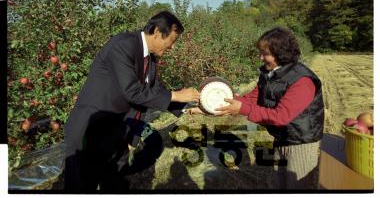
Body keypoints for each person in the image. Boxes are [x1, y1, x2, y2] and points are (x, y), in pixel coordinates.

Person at [64, 11, 200, 192]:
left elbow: (155, 90)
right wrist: (176, 95)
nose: (172, 47)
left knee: (115, 184)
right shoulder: (123, 45)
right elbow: (133, 91)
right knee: (81, 187)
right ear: (158, 33)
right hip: (89, 133)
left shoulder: (149, 59)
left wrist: (189, 108)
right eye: (172, 42)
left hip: (116, 133)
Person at [215, 27, 324, 189]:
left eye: (265, 53)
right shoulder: (270, 74)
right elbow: (253, 98)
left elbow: (281, 116)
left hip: (301, 143)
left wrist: (242, 109)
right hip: (281, 138)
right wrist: (217, 99)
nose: (260, 57)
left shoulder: (302, 80)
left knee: (297, 186)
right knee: (279, 184)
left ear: (280, 53)